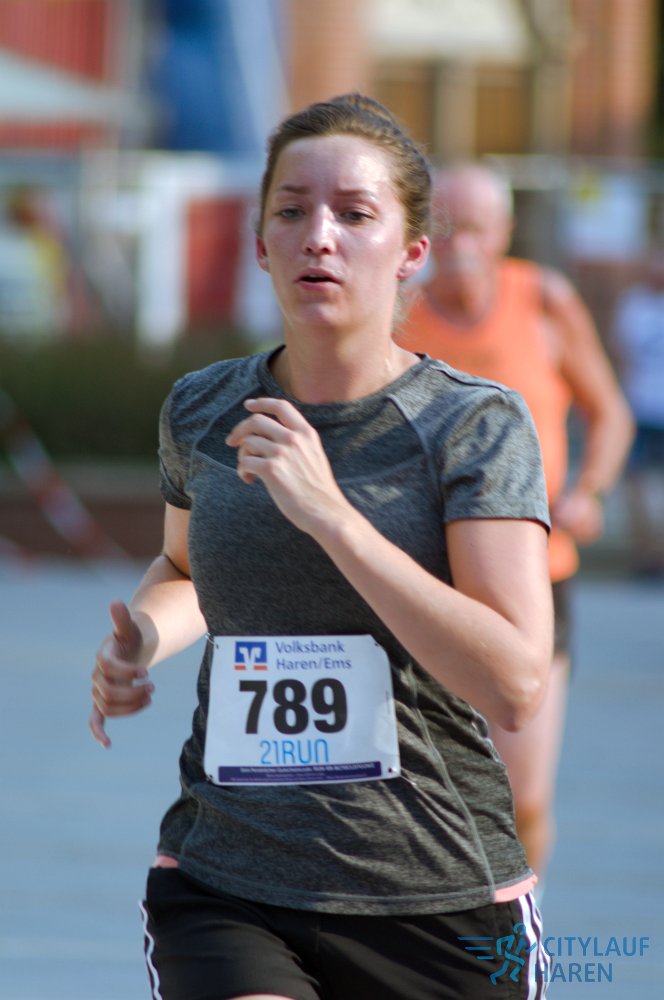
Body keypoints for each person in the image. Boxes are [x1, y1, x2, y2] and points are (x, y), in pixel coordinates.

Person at [90, 96, 554, 1000]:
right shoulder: (202, 407)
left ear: (412, 250)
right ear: (260, 244)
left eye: (354, 213)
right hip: (225, 878)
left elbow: (514, 683)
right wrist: (140, 639)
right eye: (292, 211)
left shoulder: (473, 424)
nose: (319, 237)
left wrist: (332, 516)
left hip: (437, 898)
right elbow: (186, 571)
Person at [396, 162, 634, 884]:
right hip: (424, 580)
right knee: (424, 795)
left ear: (505, 232)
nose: (459, 245)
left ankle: (516, 920)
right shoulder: (399, 311)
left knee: (523, 797)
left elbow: (610, 414)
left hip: (534, 578)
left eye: (475, 228)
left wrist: (589, 490)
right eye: (445, 228)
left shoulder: (544, 301)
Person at [610, 248, 664, 576]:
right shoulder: (634, 304)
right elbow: (622, 353)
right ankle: (647, 552)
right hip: (641, 407)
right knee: (636, 482)